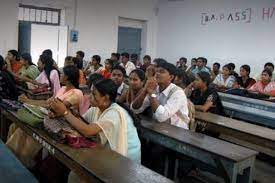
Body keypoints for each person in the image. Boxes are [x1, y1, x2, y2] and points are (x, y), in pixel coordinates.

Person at [49, 79, 141, 182]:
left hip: (125, 160)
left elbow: (88, 130)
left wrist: (65, 112)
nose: (89, 97)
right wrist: (63, 113)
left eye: (94, 94)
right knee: (75, 174)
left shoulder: (114, 113)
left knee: (78, 175)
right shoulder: (97, 108)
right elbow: (81, 123)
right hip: (108, 152)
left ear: (105, 98)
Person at [7, 66, 84, 168]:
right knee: (18, 129)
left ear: (68, 77)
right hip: (49, 120)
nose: (59, 75)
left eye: (62, 74)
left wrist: (29, 101)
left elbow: (57, 107)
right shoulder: (62, 89)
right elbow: (47, 102)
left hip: (61, 126)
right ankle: (12, 159)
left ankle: (20, 165)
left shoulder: (77, 93)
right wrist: (27, 100)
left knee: (28, 137)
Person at [131, 60, 189, 129]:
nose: (157, 74)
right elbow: (135, 109)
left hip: (178, 131)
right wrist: (145, 90)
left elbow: (162, 117)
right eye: (156, 71)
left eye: (161, 72)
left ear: (171, 77)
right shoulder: (155, 88)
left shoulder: (178, 93)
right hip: (160, 127)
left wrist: (152, 93)